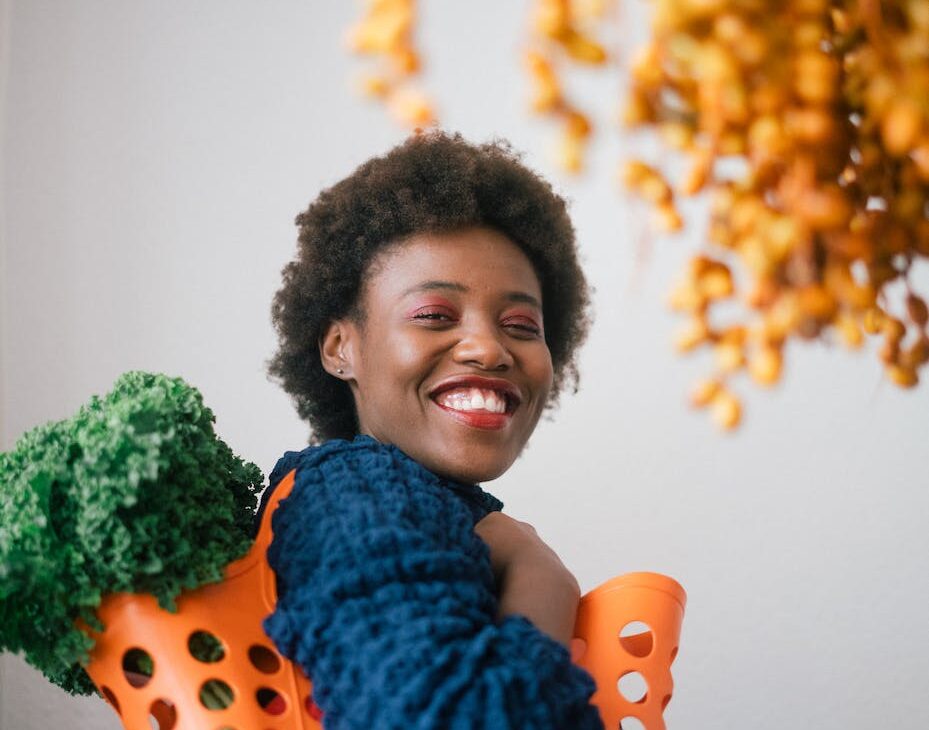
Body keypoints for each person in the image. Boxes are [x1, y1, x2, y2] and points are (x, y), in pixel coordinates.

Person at [258, 130, 604, 728]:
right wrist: (538, 571)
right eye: (435, 316)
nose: (488, 347)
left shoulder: (425, 503)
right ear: (342, 348)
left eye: (521, 324)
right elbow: (447, 713)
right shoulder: (349, 491)